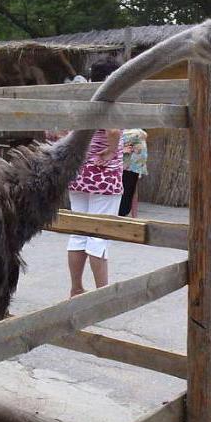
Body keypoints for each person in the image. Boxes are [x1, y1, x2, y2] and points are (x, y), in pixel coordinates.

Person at [67, 57, 124, 297]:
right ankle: (103, 295)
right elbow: (112, 129)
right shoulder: (110, 100)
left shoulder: (84, 100)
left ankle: (76, 288)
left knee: (78, 233)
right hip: (104, 176)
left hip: (79, 173)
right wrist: (111, 149)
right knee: (99, 234)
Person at [118, 128, 148, 217]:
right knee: (127, 192)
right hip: (125, 164)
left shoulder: (136, 131)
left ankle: (134, 217)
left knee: (131, 190)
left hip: (133, 165)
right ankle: (130, 216)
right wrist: (120, 149)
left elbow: (144, 135)